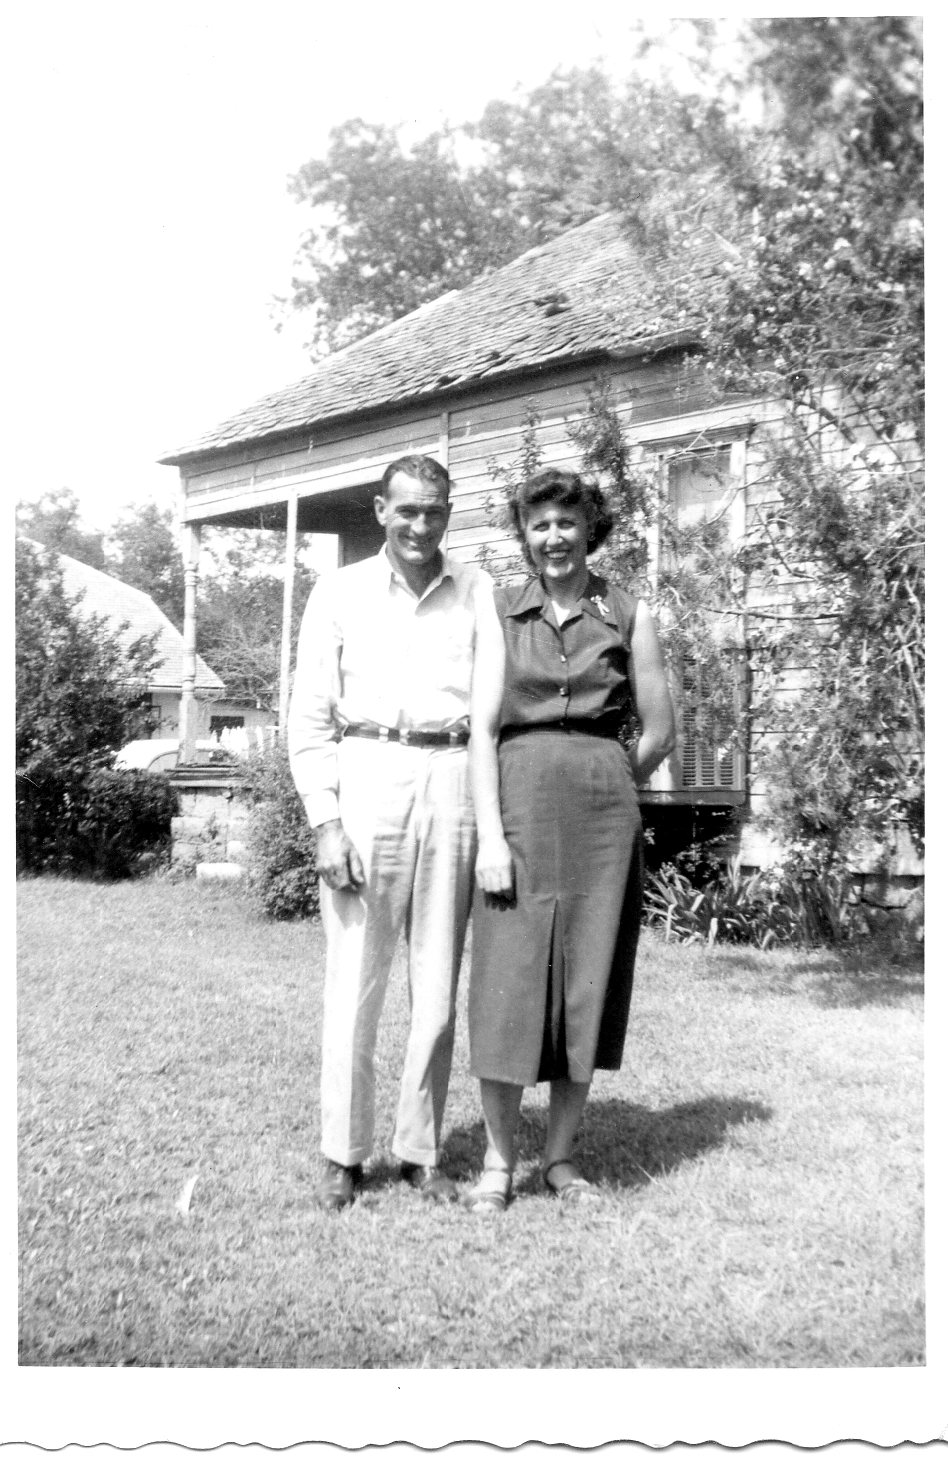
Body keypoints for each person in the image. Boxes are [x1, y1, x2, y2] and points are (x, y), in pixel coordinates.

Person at [287, 454, 498, 1211]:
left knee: (437, 985)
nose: (420, 525)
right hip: (367, 771)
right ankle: (344, 1154)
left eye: (434, 511)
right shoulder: (339, 592)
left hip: (451, 778)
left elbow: (491, 704)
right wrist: (325, 820)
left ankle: (419, 1152)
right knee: (355, 983)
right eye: (406, 510)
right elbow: (309, 716)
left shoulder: (476, 590)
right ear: (380, 510)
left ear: (449, 512)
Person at [466, 465, 676, 1212]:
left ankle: (559, 1158)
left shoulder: (628, 612)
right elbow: (482, 732)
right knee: (507, 981)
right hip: (517, 800)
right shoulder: (497, 611)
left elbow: (659, 729)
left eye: (566, 522)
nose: (553, 537)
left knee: (585, 980)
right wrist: (490, 835)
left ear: (590, 528)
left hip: (600, 814)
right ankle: (497, 1161)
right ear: (524, 535)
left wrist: (610, 775)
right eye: (539, 524)